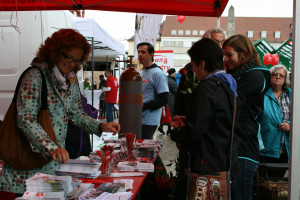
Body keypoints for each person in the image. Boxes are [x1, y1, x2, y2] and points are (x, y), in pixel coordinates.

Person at [0, 29, 120, 195]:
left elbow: (76, 114)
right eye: (68, 57)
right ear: (54, 51)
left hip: (52, 163)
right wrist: (51, 147)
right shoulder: (35, 76)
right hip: (28, 160)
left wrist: (100, 127)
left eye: (76, 60)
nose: (71, 63)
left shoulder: (69, 80)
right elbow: (26, 119)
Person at [170, 38, 238, 199]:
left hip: (208, 165)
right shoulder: (227, 83)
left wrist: (176, 133)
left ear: (201, 63)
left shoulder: (206, 87)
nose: (193, 71)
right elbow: (216, 120)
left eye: (193, 65)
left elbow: (196, 130)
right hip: (224, 160)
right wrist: (190, 119)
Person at [222, 34, 271, 200]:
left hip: (244, 149)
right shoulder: (239, 75)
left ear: (243, 54)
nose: (226, 59)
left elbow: (226, 100)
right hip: (235, 147)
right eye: (224, 55)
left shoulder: (255, 75)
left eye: (229, 55)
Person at [174, 27, 226, 116]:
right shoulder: (191, 69)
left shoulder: (227, 67)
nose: (220, 46)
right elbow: (180, 100)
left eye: (223, 43)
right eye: (216, 42)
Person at [260, 64, 291, 177]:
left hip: (285, 150)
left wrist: (290, 125)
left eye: (281, 75)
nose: (278, 77)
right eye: (274, 75)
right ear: (270, 77)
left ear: (285, 79)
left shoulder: (291, 95)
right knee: (262, 183)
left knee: (277, 184)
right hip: (265, 147)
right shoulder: (262, 95)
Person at [137, 42, 169, 139]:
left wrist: (144, 106)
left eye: (143, 52)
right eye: (138, 52)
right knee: (140, 149)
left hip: (149, 120)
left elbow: (164, 99)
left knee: (144, 149)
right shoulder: (141, 72)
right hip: (138, 118)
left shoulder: (157, 73)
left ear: (151, 54)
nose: (140, 54)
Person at [158, 68, 177, 135]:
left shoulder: (166, 79)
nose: (176, 75)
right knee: (170, 114)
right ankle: (168, 130)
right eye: (175, 73)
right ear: (172, 74)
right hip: (170, 99)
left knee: (165, 114)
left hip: (165, 99)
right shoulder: (171, 81)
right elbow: (175, 91)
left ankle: (162, 127)